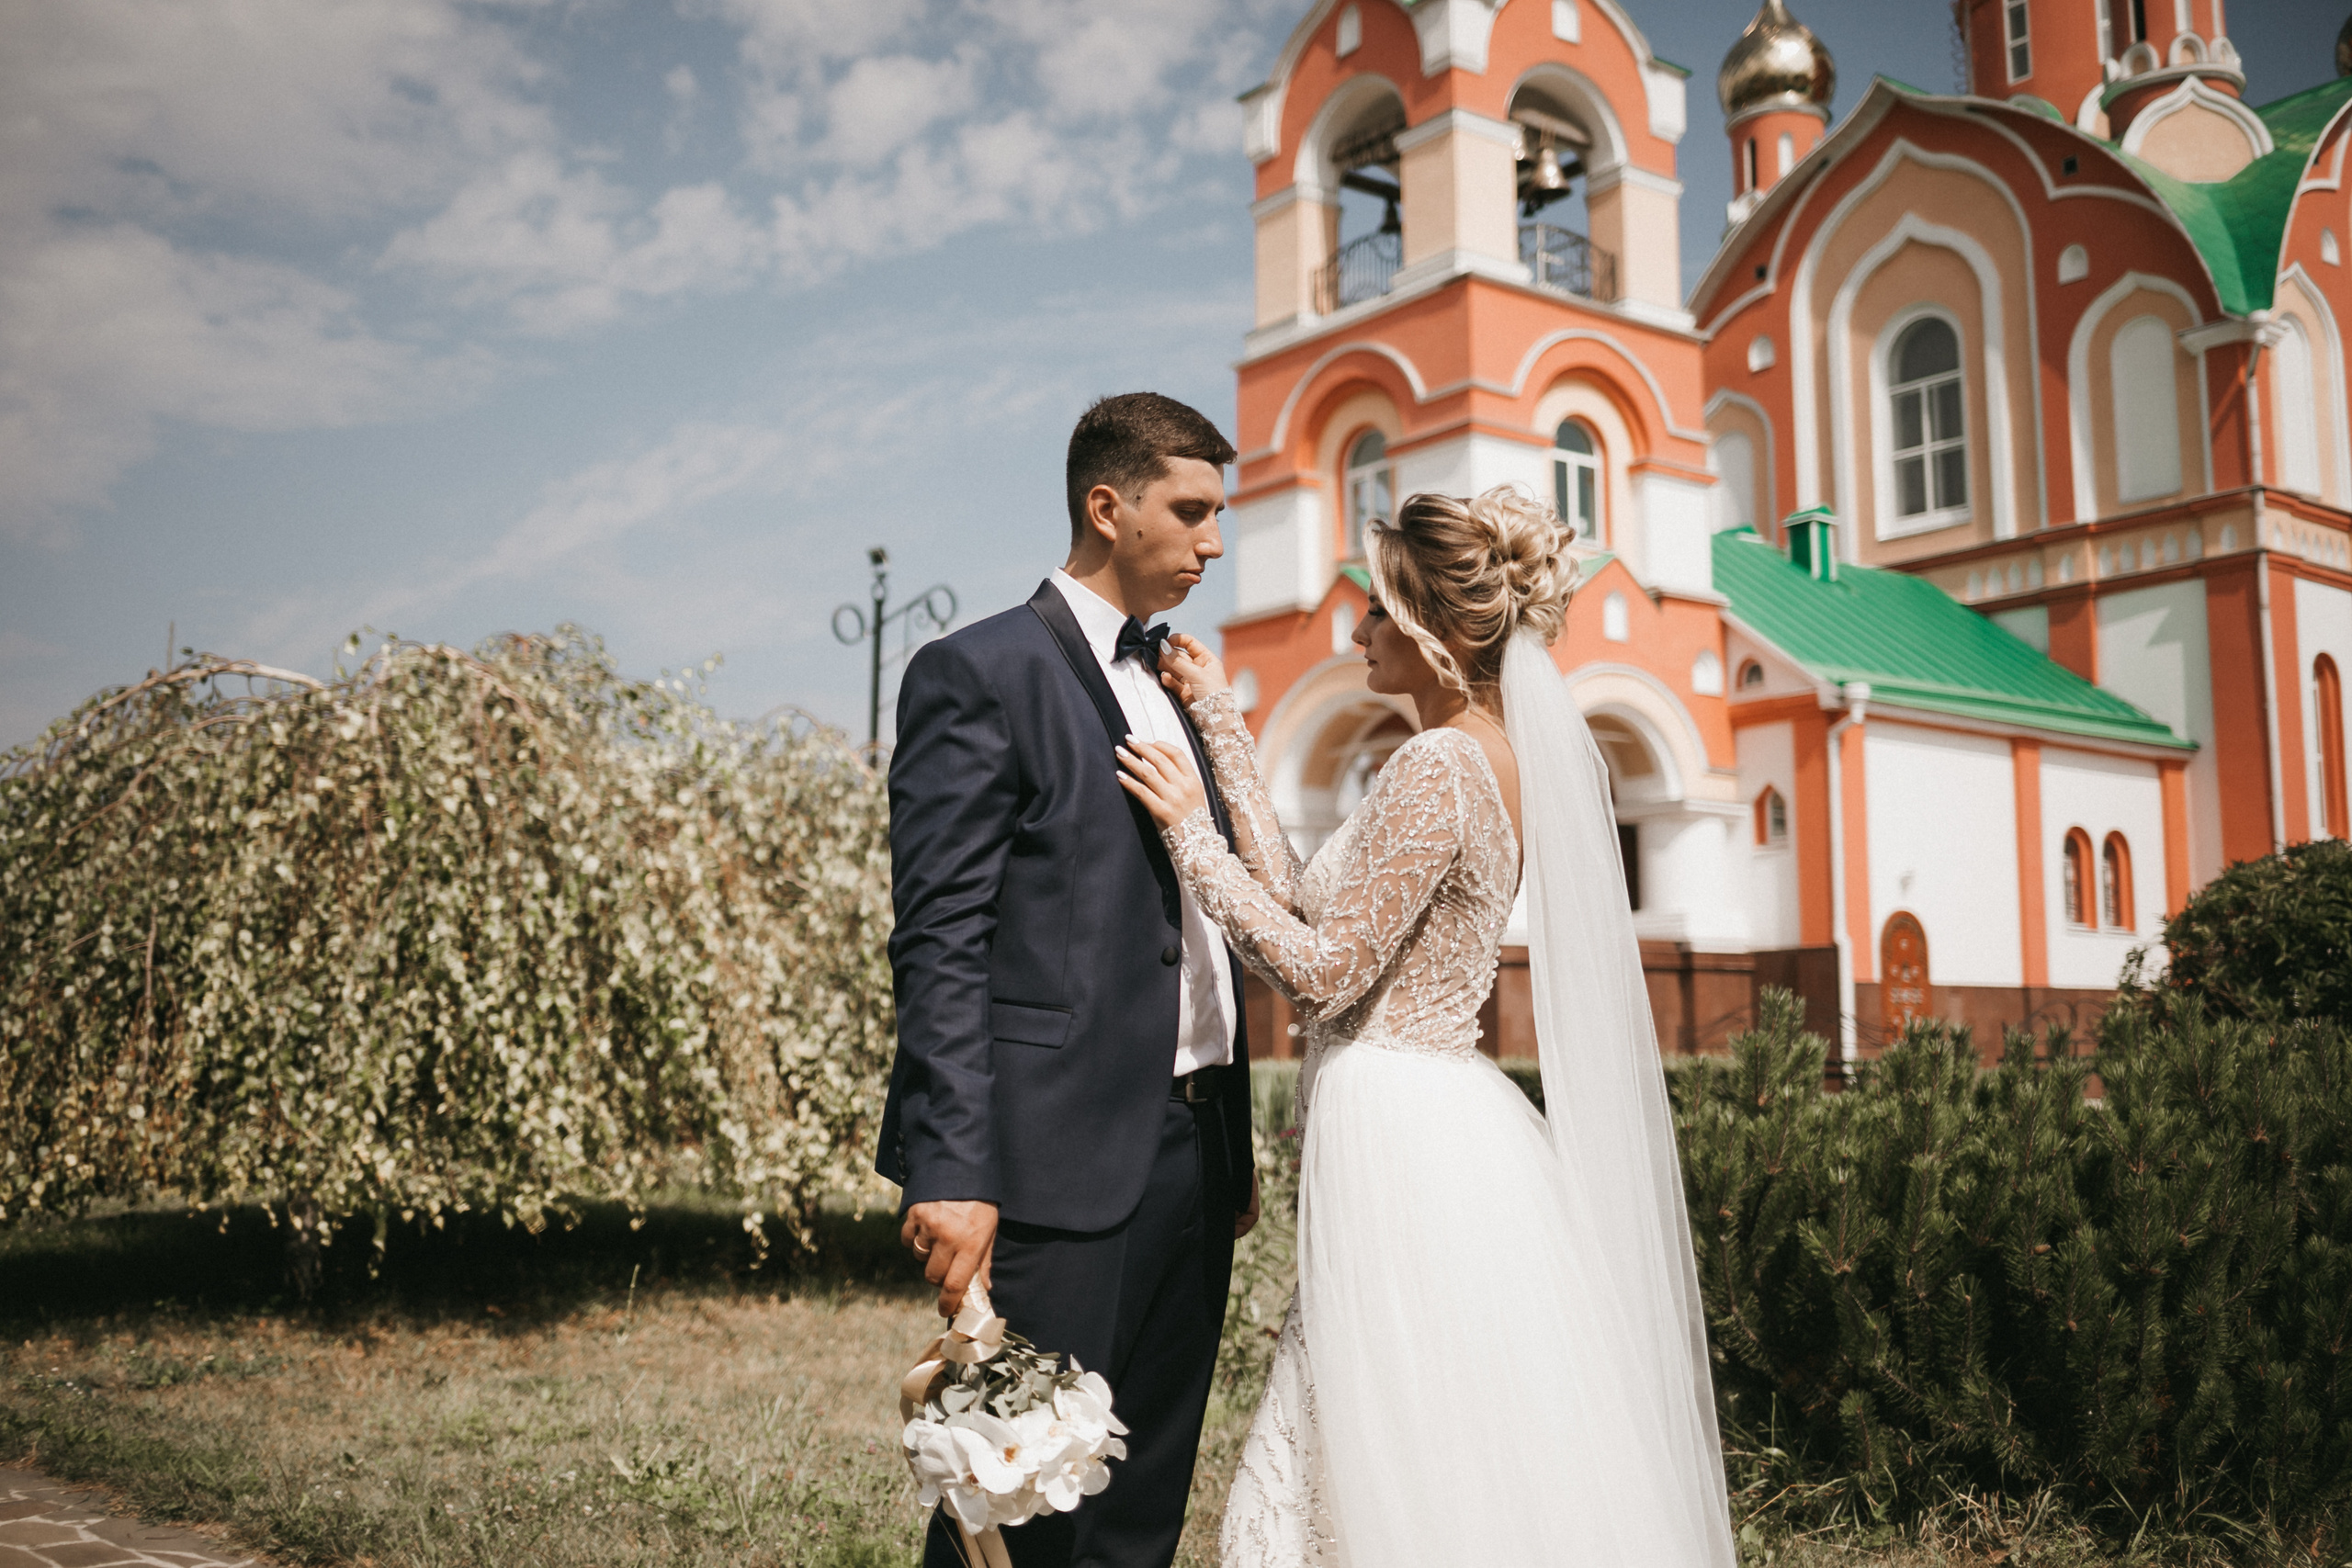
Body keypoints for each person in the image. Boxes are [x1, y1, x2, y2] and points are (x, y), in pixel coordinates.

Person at [1115, 486, 1738, 1568]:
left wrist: (1185, 836)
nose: (1355, 630)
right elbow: (1316, 900)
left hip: (1399, 1114)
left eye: (1376, 611)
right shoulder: (1480, 752)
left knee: (1380, 1396)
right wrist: (1220, 724)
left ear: (1437, 631)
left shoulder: (1441, 764)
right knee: (1433, 1401)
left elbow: (1317, 973)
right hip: (1433, 1105)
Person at [877, 391, 1260, 1568]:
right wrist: (950, 1170)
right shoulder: (977, 672)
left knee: (1139, 1513)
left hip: (1196, 1156)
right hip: (1051, 1168)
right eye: (1189, 511)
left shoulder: (1180, 685)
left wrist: (1227, 1144)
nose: (1213, 541)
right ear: (1108, 505)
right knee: (1017, 1507)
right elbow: (939, 937)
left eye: (1219, 514)